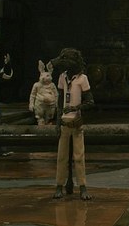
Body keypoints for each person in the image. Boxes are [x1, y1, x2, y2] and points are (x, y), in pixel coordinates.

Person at [52, 48, 94, 201]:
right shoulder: (62, 77)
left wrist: (75, 108)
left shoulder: (82, 79)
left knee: (79, 156)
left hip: (76, 123)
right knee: (61, 157)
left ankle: (82, 186)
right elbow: (60, 101)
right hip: (64, 122)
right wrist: (57, 122)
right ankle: (59, 185)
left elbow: (90, 102)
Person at [29, 60, 58, 125]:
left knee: (49, 116)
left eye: (47, 76)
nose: (44, 78)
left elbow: (56, 94)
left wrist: (57, 103)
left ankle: (48, 121)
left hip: (51, 104)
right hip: (40, 104)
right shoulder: (37, 85)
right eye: (42, 75)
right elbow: (32, 95)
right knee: (40, 116)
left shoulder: (52, 85)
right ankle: (40, 121)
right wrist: (31, 104)